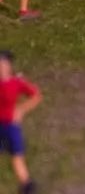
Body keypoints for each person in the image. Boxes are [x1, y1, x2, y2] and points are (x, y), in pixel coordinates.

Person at [0, 50, 42, 194]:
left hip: (11, 126)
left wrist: (22, 110)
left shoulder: (17, 82)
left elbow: (36, 95)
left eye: (4, 64)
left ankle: (27, 187)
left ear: (9, 66)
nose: (1, 68)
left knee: (17, 157)